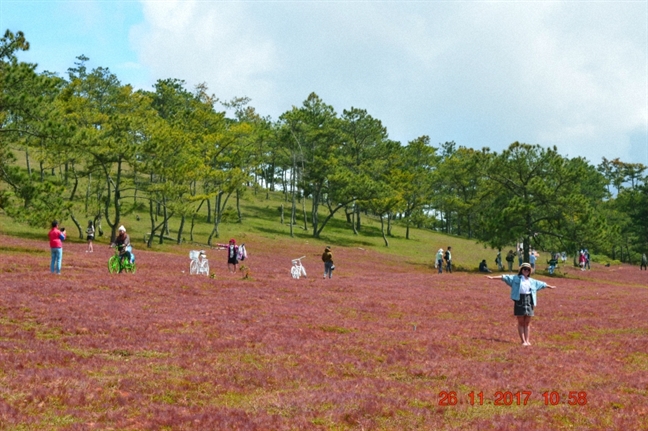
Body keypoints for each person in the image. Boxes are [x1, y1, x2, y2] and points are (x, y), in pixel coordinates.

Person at [486, 263, 557, 346]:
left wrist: (550, 286)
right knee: (521, 322)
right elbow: (504, 277)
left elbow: (542, 284)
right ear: (521, 270)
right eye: (525, 269)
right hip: (519, 300)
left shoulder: (532, 281)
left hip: (529, 300)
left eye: (528, 269)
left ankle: (527, 340)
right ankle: (523, 341)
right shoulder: (515, 278)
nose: (526, 271)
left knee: (527, 322)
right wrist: (492, 277)